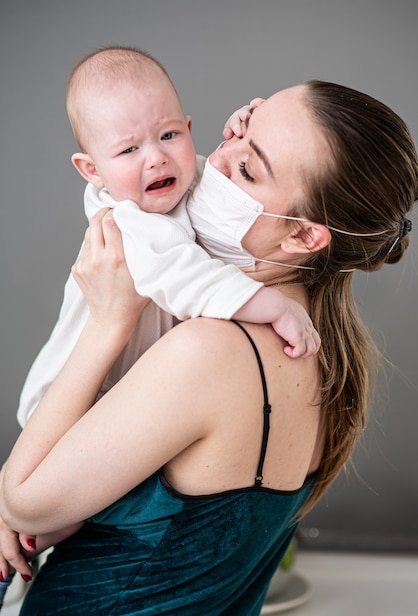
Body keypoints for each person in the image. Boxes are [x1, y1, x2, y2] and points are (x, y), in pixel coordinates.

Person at [0, 79, 416, 616]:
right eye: (240, 126)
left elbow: (24, 500)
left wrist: (108, 321)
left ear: (304, 237)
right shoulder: (330, 358)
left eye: (247, 169)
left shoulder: (210, 351)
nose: (214, 159)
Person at [16, 48, 319, 433]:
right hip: (69, 400)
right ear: (92, 170)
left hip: (123, 391)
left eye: (169, 134)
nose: (156, 158)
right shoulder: (129, 222)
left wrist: (245, 129)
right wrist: (273, 307)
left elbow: (217, 177)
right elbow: (184, 274)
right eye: (129, 149)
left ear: (189, 130)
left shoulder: (170, 189)